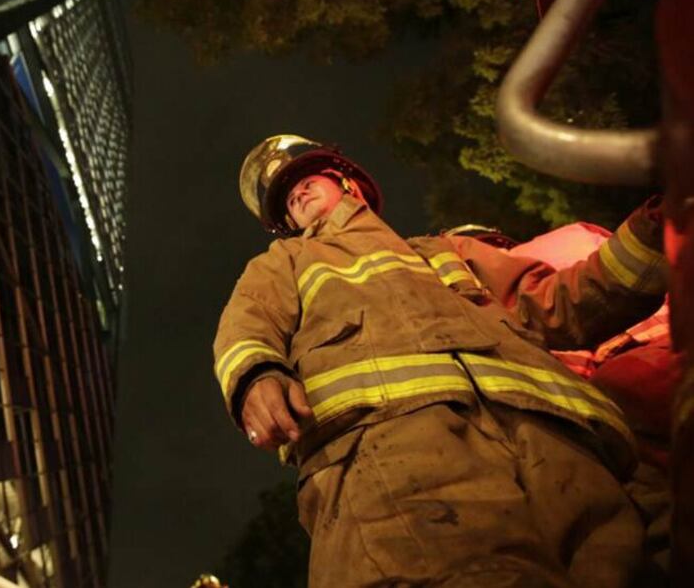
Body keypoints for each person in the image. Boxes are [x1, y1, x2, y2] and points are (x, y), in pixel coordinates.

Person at [213, 134, 668, 587]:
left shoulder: (448, 251)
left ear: (346, 181)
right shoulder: (288, 260)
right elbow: (249, 322)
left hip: (553, 442)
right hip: (396, 450)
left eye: (306, 180)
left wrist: (656, 230)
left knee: (616, 568)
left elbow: (559, 303)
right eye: (289, 200)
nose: (299, 195)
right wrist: (255, 375)